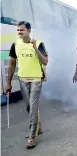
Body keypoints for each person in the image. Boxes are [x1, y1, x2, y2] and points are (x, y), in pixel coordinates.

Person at [6, 21, 48, 149]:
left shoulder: (39, 44)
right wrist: (8, 83)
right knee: (29, 106)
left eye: (21, 30)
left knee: (33, 106)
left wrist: (35, 48)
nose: (19, 32)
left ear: (29, 30)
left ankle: (31, 136)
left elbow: (45, 61)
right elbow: (12, 64)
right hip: (22, 79)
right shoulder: (15, 45)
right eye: (18, 30)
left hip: (36, 79)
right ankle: (38, 128)